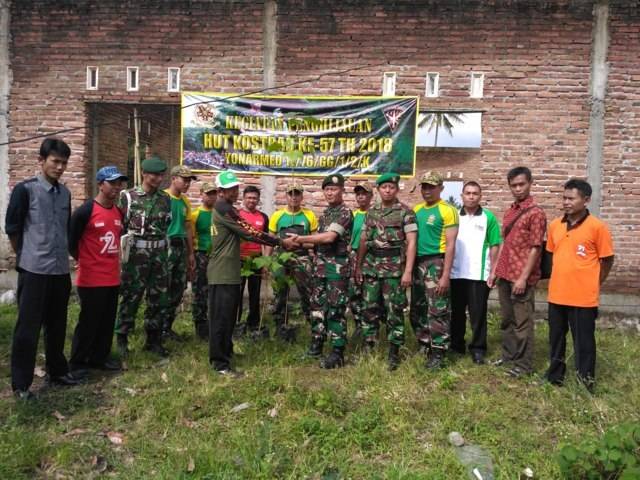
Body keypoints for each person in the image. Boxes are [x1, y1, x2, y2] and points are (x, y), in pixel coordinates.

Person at [5, 138, 82, 400]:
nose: (60, 167)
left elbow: (65, 229)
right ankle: (21, 384)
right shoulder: (25, 190)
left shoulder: (65, 194)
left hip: (60, 269)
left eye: (64, 163)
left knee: (57, 324)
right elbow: (13, 228)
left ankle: (57, 371)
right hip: (34, 270)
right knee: (28, 328)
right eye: (55, 161)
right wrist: (25, 256)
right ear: (41, 161)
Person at [208, 171, 295, 376]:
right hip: (222, 272)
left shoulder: (226, 208)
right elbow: (250, 232)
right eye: (230, 189)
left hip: (229, 271)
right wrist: (280, 242)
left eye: (235, 188)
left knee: (229, 315)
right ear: (220, 191)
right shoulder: (224, 209)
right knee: (221, 318)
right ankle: (220, 364)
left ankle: (226, 352)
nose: (234, 192)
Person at [543, 179, 614, 392]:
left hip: (583, 298)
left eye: (571, 198)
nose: (566, 202)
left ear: (586, 200)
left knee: (584, 342)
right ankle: (555, 376)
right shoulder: (555, 226)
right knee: (556, 339)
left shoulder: (597, 227)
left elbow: (607, 260)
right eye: (564, 198)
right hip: (557, 295)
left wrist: (595, 282)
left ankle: (585, 382)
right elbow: (551, 255)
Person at [289, 174, 353, 369]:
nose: (330, 193)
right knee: (317, 307)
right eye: (327, 189)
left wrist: (300, 239)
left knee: (335, 309)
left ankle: (337, 352)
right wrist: (292, 243)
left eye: (334, 189)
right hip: (320, 268)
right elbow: (317, 242)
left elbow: (329, 238)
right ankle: (316, 345)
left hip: (336, 270)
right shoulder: (325, 214)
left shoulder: (345, 213)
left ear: (342, 191)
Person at [68, 166, 128, 372]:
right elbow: (72, 242)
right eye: (112, 183)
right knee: (88, 322)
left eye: (119, 183)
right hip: (91, 278)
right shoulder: (85, 211)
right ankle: (78, 363)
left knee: (107, 321)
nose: (117, 187)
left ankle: (99, 358)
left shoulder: (118, 211)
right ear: (101, 184)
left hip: (112, 277)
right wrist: (84, 260)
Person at [354, 173, 417, 370]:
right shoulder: (371, 212)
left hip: (394, 269)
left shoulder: (406, 212)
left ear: (396, 189)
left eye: (391, 187)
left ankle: (393, 351)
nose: (388, 190)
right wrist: (358, 266)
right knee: (369, 309)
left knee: (394, 311)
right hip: (371, 267)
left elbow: (412, 242)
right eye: (384, 187)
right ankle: (369, 346)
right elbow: (363, 240)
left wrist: (408, 271)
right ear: (379, 190)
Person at [115, 155, 172, 357]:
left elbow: (166, 225)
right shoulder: (128, 196)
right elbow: (120, 226)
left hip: (159, 255)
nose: (158, 179)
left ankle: (153, 340)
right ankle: (122, 337)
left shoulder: (165, 199)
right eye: (155, 175)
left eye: (161, 175)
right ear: (144, 174)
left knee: (158, 298)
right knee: (131, 296)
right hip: (136, 256)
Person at [492, 166, 547, 378]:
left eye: (521, 184)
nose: (518, 189)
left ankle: (524, 366)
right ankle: (509, 356)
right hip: (505, 273)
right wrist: (496, 270)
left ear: (530, 183)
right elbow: (505, 243)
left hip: (521, 277)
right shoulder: (510, 211)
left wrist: (523, 278)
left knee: (523, 322)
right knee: (507, 319)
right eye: (513, 185)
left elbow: (536, 248)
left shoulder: (536, 213)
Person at [450, 181, 502, 365]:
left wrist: (493, 271)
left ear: (480, 196)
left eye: (475, 193)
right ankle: (456, 346)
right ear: (462, 195)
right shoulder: (454, 216)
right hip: (455, 274)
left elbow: (495, 245)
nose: (471, 196)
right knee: (456, 313)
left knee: (478, 314)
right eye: (468, 193)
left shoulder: (488, 217)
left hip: (479, 275)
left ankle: (478, 349)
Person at [411, 171, 459, 369]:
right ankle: (424, 343)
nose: (427, 190)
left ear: (441, 188)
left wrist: (445, 275)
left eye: (431, 187)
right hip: (418, 263)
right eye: (424, 186)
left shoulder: (448, 210)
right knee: (418, 307)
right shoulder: (417, 209)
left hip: (436, 263)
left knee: (438, 309)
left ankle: (438, 351)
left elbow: (451, 245)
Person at [264, 183, 318, 338]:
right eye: (291, 194)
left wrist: (300, 244)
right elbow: (270, 241)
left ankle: (312, 324)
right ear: (286, 196)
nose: (294, 197)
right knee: (280, 292)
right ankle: (280, 324)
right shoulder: (277, 216)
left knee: (306, 291)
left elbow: (315, 241)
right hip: (281, 258)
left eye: (297, 194)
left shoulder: (309, 215)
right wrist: (267, 262)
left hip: (302, 257)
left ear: (302, 196)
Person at [163, 165, 197, 340]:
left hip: (181, 246)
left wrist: (190, 253)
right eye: (184, 180)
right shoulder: (163, 198)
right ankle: (156, 328)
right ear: (173, 178)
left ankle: (167, 327)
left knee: (178, 287)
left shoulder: (185, 201)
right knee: (163, 288)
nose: (187, 184)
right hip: (165, 246)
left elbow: (188, 227)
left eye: (189, 181)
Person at [236, 185, 269, 337]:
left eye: (254, 198)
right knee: (237, 292)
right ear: (243, 198)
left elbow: (266, 241)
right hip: (239, 259)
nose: (251, 200)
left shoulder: (263, 217)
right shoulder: (236, 215)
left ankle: (253, 323)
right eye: (249, 197)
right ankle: (236, 322)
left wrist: (265, 262)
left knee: (255, 293)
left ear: (258, 200)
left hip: (256, 259)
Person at [191, 182, 217, 340]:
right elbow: (191, 237)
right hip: (201, 255)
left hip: (217, 256)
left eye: (214, 193)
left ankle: (214, 324)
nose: (211, 197)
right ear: (201, 194)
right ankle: (200, 326)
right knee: (200, 291)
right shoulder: (195, 215)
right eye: (208, 194)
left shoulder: (219, 214)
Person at [349, 182, 374, 343]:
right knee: (353, 293)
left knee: (369, 294)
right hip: (353, 256)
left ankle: (370, 327)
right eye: (358, 194)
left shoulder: (374, 214)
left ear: (371, 196)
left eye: (364, 194)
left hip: (370, 257)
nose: (361, 197)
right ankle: (359, 324)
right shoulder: (353, 215)